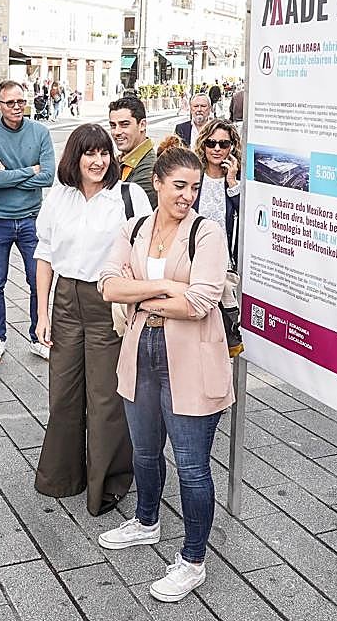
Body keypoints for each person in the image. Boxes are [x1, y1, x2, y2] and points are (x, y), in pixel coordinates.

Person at [96, 146, 234, 604]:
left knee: (193, 469)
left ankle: (193, 560)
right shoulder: (134, 227)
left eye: (195, 188)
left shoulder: (207, 232)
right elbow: (107, 285)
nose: (188, 196)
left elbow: (199, 303)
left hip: (192, 359)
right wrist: (162, 286)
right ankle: (147, 521)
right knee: (144, 450)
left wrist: (139, 299)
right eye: (179, 186)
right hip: (140, 351)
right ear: (156, 182)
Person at [33, 123, 152, 516]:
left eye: (104, 153)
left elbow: (146, 251)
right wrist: (41, 312)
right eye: (90, 153)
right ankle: (62, 474)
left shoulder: (128, 196)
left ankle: (109, 480)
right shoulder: (59, 197)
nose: (99, 161)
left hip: (108, 302)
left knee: (105, 397)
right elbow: (46, 254)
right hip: (67, 300)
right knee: (63, 392)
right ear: (75, 157)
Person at [0, 80, 55, 365]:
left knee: (38, 281)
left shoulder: (41, 132)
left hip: (32, 219)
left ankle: (38, 336)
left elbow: (48, 177)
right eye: (10, 102)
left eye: (21, 101)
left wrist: (11, 173)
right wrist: (30, 170)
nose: (17, 107)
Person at [192, 119, 241, 252]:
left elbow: (246, 217)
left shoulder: (238, 182)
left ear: (231, 147)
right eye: (211, 143)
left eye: (224, 144)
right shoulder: (194, 179)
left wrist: (232, 182)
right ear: (203, 145)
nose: (217, 149)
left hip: (225, 260)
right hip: (195, 256)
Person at [109, 96, 157, 208]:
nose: (117, 132)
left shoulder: (150, 168)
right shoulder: (122, 160)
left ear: (142, 125)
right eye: (113, 125)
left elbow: (123, 209)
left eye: (124, 125)